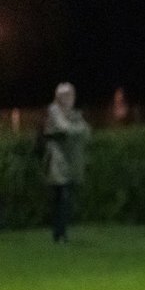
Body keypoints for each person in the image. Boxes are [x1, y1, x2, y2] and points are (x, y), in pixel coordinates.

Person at [43, 82, 91, 243]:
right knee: (61, 198)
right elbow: (65, 129)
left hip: (69, 164)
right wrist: (76, 128)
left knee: (64, 199)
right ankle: (59, 234)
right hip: (57, 163)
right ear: (59, 97)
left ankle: (60, 233)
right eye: (66, 95)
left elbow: (87, 131)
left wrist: (76, 128)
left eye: (71, 95)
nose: (69, 98)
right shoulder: (54, 111)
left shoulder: (73, 113)